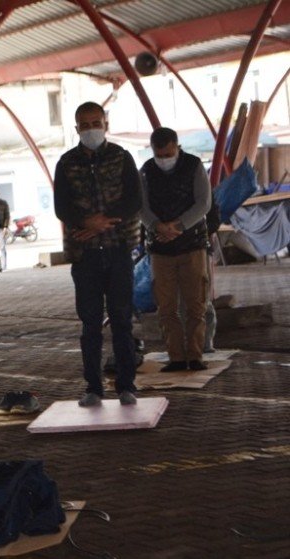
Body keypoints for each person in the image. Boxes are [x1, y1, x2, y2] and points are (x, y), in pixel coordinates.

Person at [54, 101, 142, 407]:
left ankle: (126, 385)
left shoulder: (122, 157)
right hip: (84, 255)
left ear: (105, 124)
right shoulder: (66, 163)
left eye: (96, 122)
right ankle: (93, 387)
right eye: (85, 124)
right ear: (76, 128)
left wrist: (103, 221)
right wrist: (85, 223)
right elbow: (61, 207)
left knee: (122, 320)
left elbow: (134, 199)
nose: (92, 128)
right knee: (90, 324)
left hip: (118, 249)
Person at [140, 127, 212, 373]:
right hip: (160, 248)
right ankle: (177, 358)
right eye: (159, 155)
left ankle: (195, 356)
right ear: (153, 151)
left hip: (192, 245)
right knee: (166, 307)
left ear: (177, 147)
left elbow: (204, 203)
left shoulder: (194, 166)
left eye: (168, 154)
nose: (164, 159)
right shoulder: (147, 171)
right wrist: (157, 225)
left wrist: (178, 226)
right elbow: (142, 206)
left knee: (196, 305)